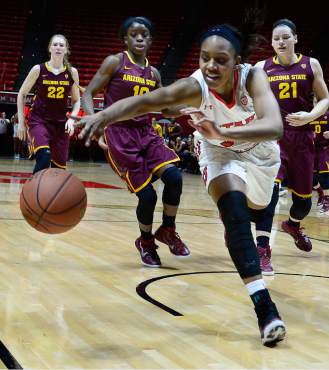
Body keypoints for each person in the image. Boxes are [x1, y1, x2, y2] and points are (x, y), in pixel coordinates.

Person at [75, 21, 287, 346]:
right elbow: (148, 101)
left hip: (259, 152)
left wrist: (225, 131)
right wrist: (103, 117)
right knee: (234, 213)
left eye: (220, 59)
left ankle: (246, 210)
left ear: (237, 61)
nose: (211, 66)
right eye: (204, 58)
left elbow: (274, 126)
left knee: (256, 208)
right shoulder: (196, 85)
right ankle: (265, 309)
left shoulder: (253, 77)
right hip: (217, 153)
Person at [80, 17, 190, 267]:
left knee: (174, 177)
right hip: (119, 136)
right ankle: (146, 241)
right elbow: (88, 92)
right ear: (125, 39)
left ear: (150, 40)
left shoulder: (154, 73)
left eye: (144, 35)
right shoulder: (115, 62)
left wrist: (190, 109)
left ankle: (168, 230)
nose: (139, 38)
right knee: (148, 196)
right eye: (134, 34)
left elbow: (165, 109)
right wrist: (94, 121)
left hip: (146, 132)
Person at [253, 18, 329, 275]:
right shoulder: (261, 68)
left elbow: (324, 99)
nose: (281, 42)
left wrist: (310, 116)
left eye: (286, 37)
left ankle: (293, 225)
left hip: (303, 139)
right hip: (273, 139)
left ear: (295, 38)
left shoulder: (311, 64)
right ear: (272, 43)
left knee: (304, 203)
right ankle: (262, 249)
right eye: (276, 38)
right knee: (271, 195)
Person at [16, 34, 80, 173]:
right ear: (50, 48)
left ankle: (50, 194)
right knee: (44, 157)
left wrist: (72, 118)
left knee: (58, 171)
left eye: (61, 45)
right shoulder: (38, 69)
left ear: (66, 50)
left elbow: (76, 101)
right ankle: (34, 192)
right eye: (55, 44)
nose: (58, 47)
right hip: (39, 121)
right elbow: (21, 94)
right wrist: (21, 123)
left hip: (61, 124)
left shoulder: (72, 72)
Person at [310, 110, 329, 214]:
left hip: (325, 148)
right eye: (314, 100)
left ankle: (327, 204)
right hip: (311, 148)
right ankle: (320, 193)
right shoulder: (309, 115)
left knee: (325, 174)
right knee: (310, 177)